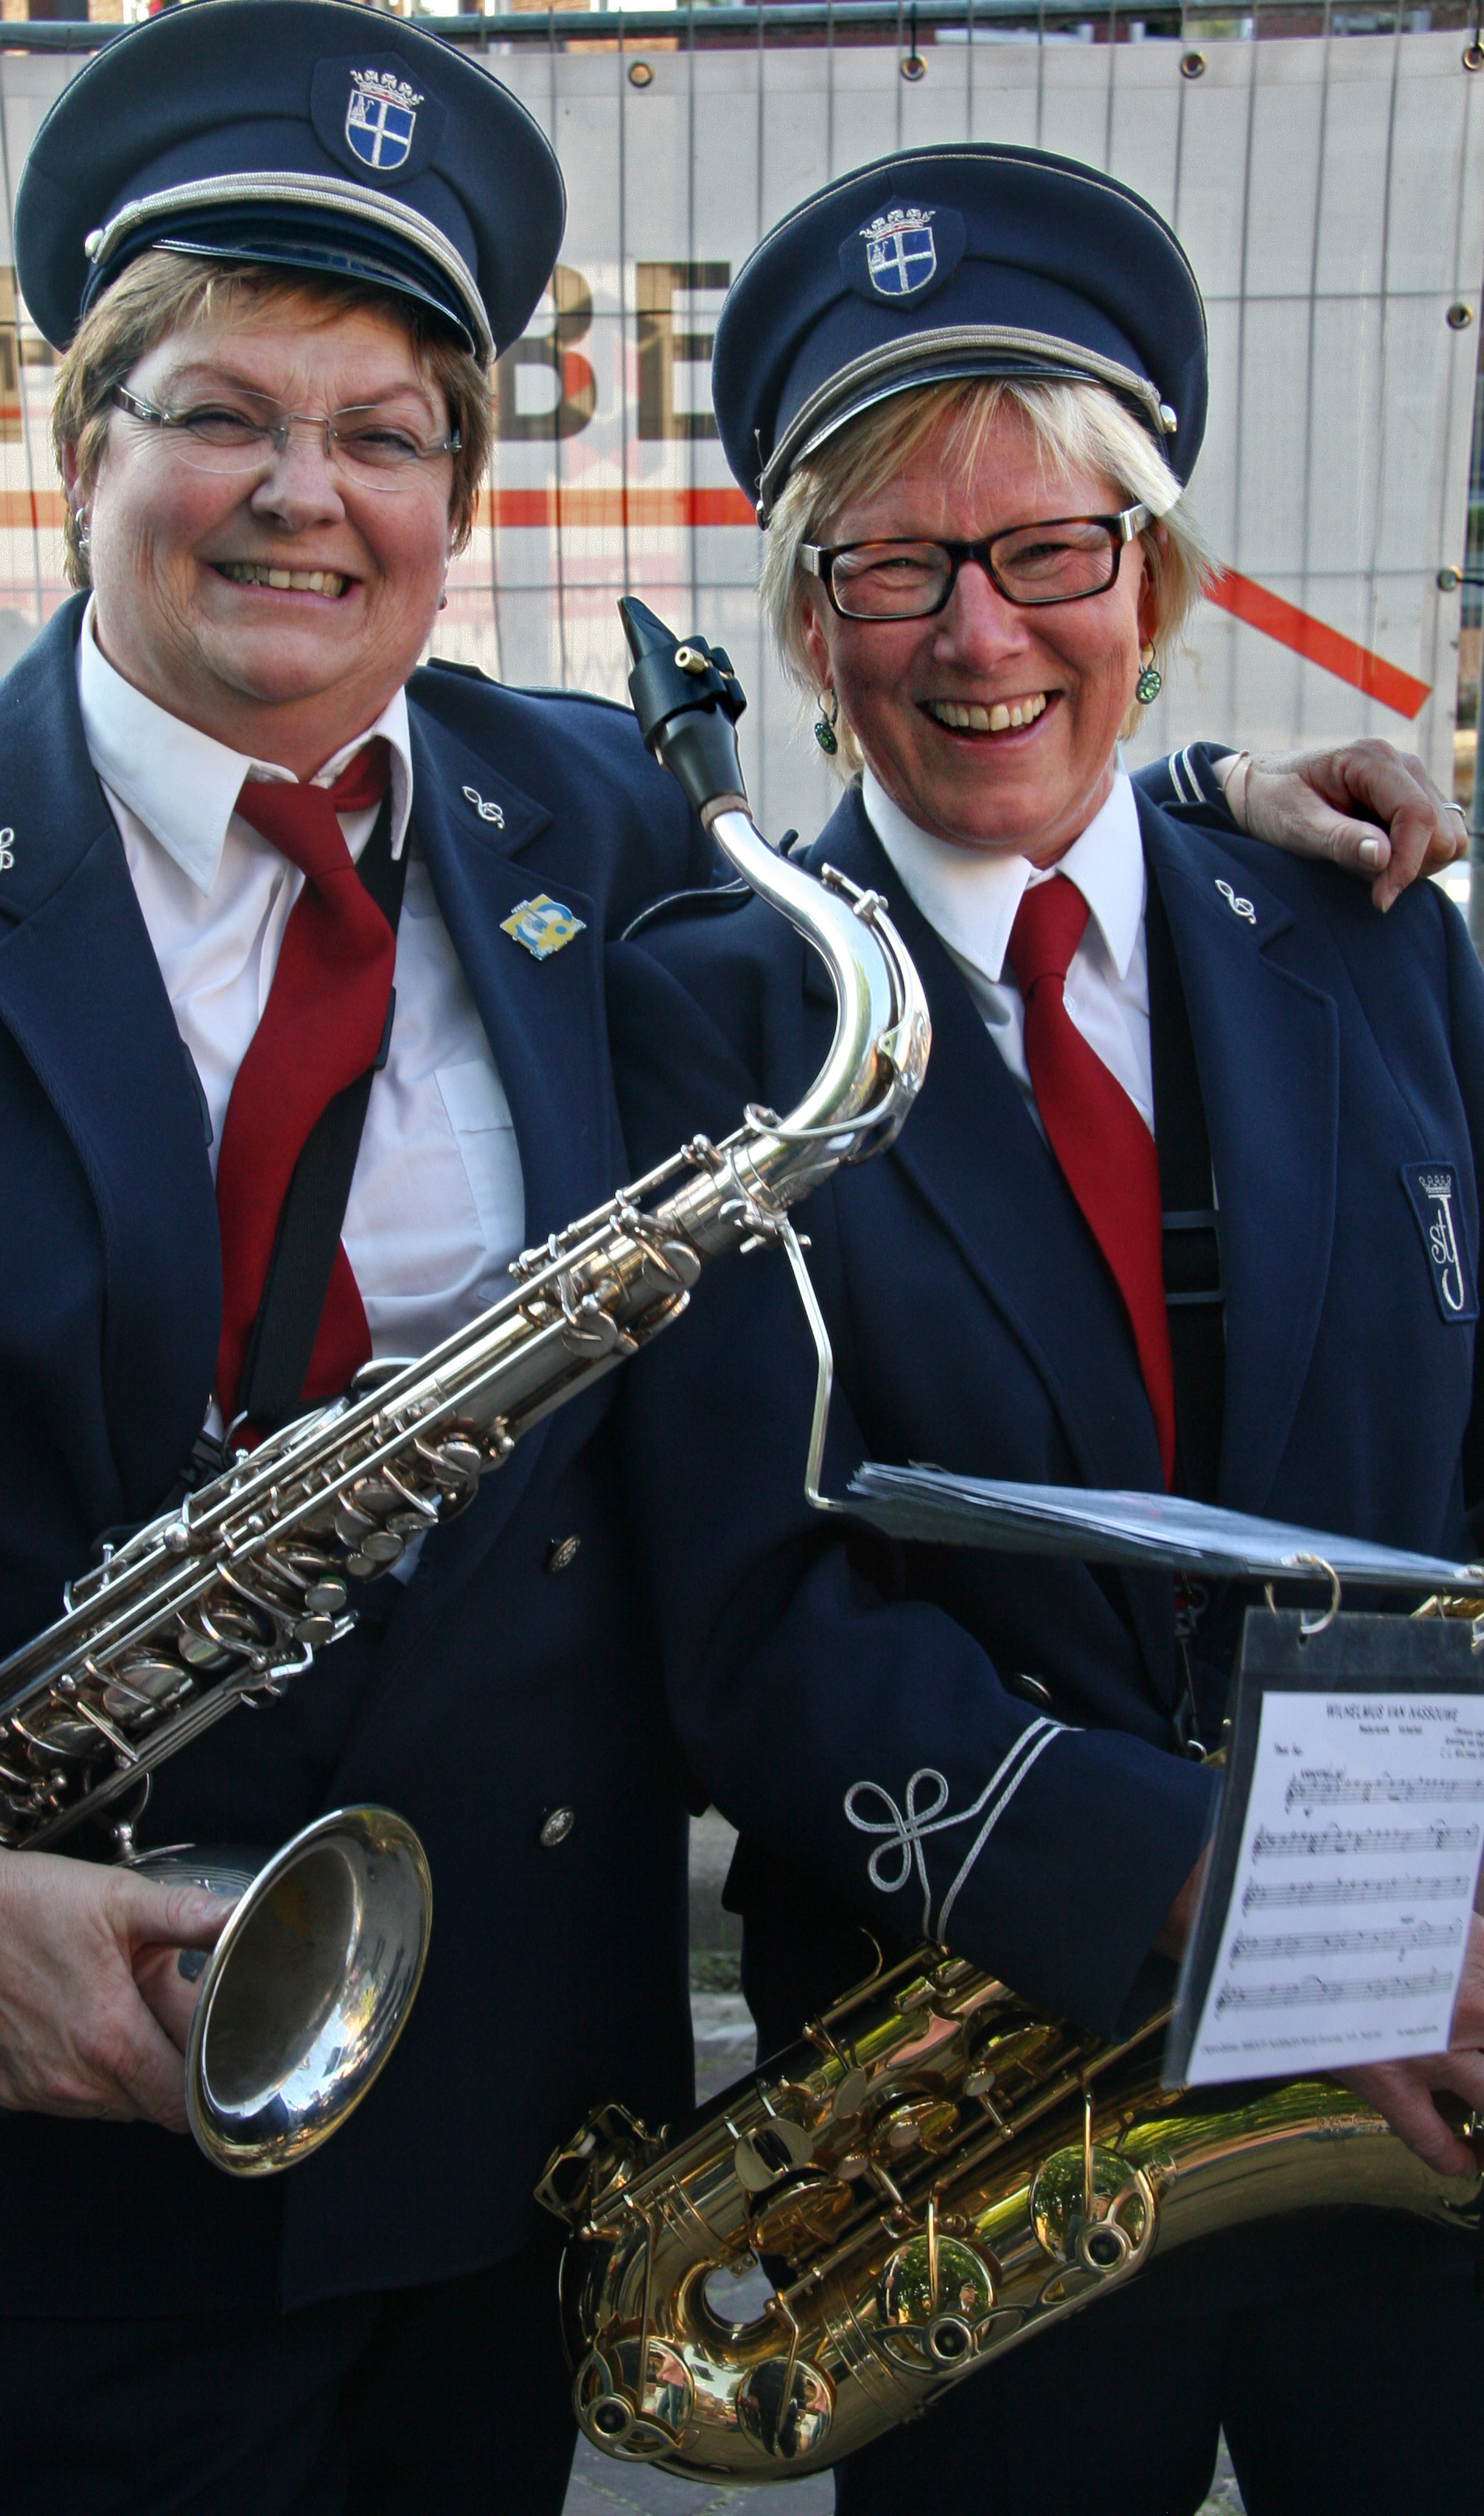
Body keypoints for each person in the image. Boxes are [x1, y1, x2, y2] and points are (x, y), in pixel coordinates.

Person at [0, 22, 1456, 2511]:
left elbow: (985, 787)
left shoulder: (592, 820)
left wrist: (1212, 799)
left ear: (457, 501)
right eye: (220, 414)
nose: (304, 494)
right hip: (46, 2139)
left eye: (386, 433)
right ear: (82, 448)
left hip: (496, 2139)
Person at [610, 143, 1484, 2516]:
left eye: (1048, 553)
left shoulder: (1379, 934)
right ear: (812, 633)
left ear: (1154, 584)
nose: (979, 634)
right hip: (985, 2101)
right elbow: (749, 1608)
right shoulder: (713, 1016)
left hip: (1428, 2061)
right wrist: (1217, 1892)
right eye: (894, 566)